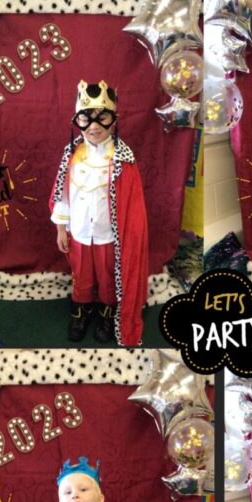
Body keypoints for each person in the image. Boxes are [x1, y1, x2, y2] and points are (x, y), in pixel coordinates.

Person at [50, 80, 149, 346]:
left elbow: (132, 206)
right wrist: (61, 229)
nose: (93, 126)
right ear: (77, 121)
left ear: (114, 121)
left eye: (102, 118)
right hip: (79, 232)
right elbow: (62, 195)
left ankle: (107, 314)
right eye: (86, 118)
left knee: (107, 278)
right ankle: (80, 312)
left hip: (108, 235)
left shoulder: (123, 158)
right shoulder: (71, 155)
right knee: (81, 276)